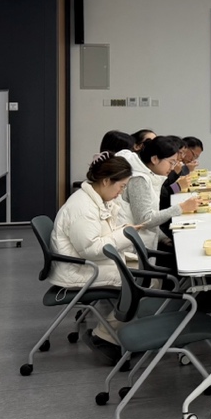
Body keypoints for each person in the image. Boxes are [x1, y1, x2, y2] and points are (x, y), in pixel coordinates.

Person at [48, 152, 139, 364]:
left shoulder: (95, 200)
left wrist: (123, 232)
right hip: (78, 269)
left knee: (147, 273)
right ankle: (104, 336)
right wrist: (125, 235)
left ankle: (117, 334)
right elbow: (91, 249)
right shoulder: (82, 207)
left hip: (90, 263)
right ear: (106, 181)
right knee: (142, 281)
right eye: (121, 186)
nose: (121, 192)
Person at [123, 135, 199, 251]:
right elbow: (145, 219)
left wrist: (165, 237)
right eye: (171, 162)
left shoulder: (151, 176)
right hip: (136, 249)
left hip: (148, 241)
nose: (173, 168)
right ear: (155, 159)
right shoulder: (139, 180)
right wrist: (181, 207)